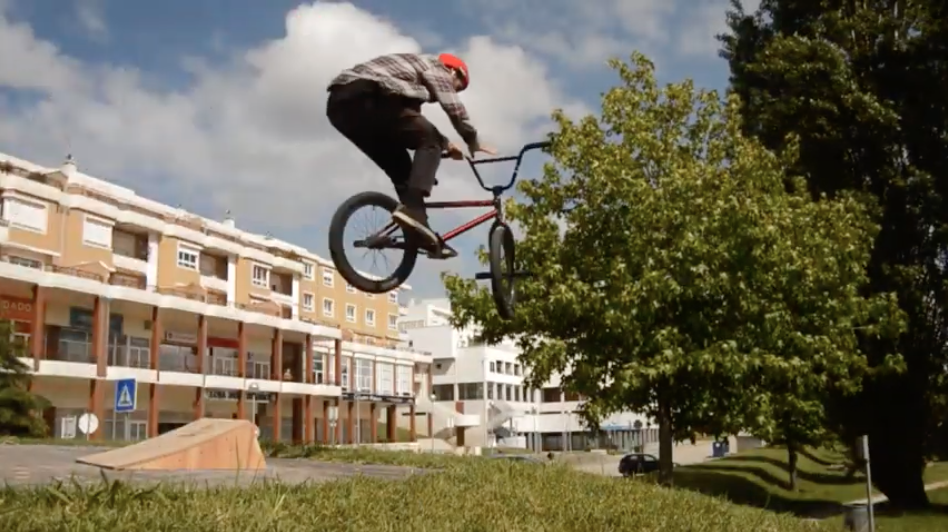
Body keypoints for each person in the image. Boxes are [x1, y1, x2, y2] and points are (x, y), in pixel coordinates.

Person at [326, 52, 495, 252]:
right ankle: (415, 214)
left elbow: (410, 123)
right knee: (430, 140)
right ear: (453, 71)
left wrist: (446, 144)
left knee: (401, 166)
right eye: (457, 87)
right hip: (366, 94)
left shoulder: (407, 87)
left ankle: (421, 232)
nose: (453, 91)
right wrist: (472, 140)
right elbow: (452, 106)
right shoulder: (435, 67)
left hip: (340, 109)